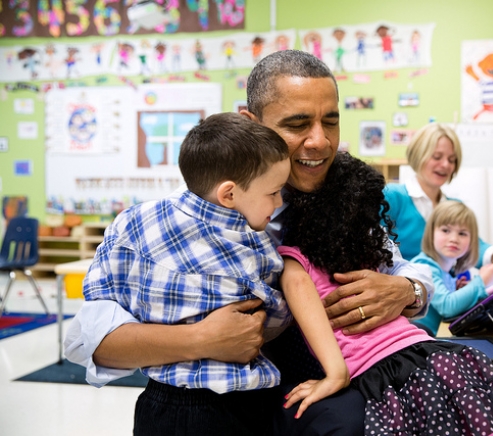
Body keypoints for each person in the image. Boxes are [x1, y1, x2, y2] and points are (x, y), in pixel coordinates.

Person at [65, 49, 434, 436]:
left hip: (328, 398)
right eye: (297, 124)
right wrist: (198, 339)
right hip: (207, 410)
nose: (319, 142)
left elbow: (403, 269)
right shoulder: (172, 224)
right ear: (251, 123)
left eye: (331, 122)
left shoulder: (346, 195)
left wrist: (407, 290)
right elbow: (88, 340)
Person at [278, 152, 493, 435]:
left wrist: (334, 376)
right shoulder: (366, 253)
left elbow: (318, 328)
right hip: (432, 354)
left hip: (381, 373)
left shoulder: (295, 266)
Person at [74, 112, 293, 434]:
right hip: (235, 402)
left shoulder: (133, 222)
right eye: (274, 193)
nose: (277, 202)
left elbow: (96, 296)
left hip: (163, 403)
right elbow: (275, 316)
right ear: (229, 194)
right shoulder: (253, 242)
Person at [383, 122, 493, 268]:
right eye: (437, 157)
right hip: (399, 287)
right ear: (418, 155)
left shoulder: (452, 206)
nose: (445, 165)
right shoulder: (392, 197)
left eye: (452, 160)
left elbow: (473, 246)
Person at [411, 200, 493, 335]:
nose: (454, 239)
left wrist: (463, 292)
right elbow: (447, 306)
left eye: (462, 233)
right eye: (446, 230)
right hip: (418, 344)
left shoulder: (448, 272)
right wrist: (481, 281)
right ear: (431, 233)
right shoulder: (423, 266)